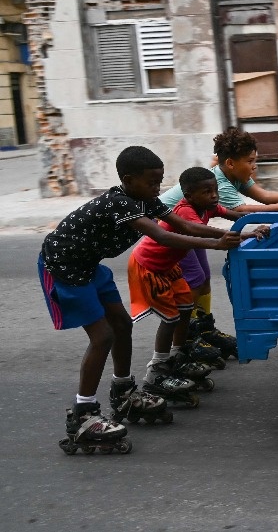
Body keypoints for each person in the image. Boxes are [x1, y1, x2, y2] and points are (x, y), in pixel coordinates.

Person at [38, 146, 243, 449]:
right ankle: (83, 414)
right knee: (103, 336)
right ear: (128, 179)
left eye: (160, 182)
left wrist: (245, 235)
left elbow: (185, 225)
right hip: (64, 267)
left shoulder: (146, 199)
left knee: (122, 325)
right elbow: (162, 236)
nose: (157, 189)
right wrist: (216, 245)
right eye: (151, 182)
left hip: (90, 265)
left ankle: (123, 392)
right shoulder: (120, 203)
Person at [129, 167, 268, 400]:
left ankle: (176, 355)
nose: (213, 195)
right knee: (170, 317)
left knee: (185, 310)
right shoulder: (185, 211)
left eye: (214, 190)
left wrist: (259, 223)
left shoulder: (207, 206)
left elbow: (232, 214)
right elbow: (198, 230)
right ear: (188, 195)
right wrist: (245, 236)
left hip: (169, 267)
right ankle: (155, 372)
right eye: (206, 192)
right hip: (149, 266)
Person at [160, 127, 278, 346]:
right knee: (195, 279)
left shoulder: (235, 175)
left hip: (193, 226)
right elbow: (243, 211)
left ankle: (203, 327)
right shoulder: (219, 183)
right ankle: (185, 334)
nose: (254, 166)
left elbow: (264, 196)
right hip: (172, 230)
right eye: (250, 161)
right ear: (230, 163)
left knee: (204, 276)